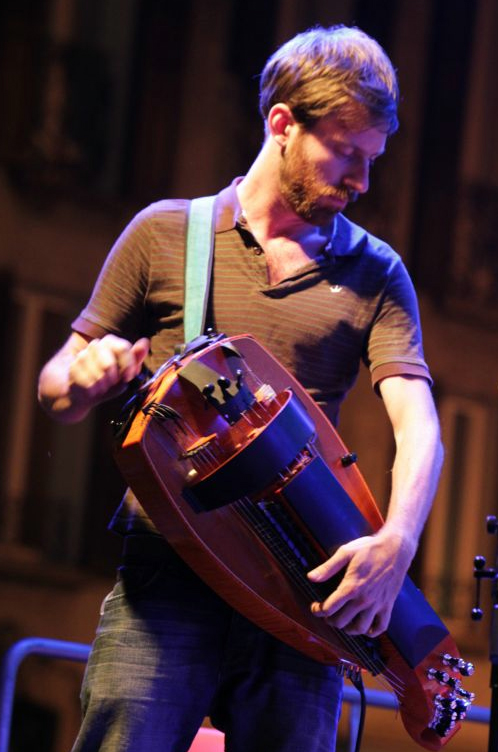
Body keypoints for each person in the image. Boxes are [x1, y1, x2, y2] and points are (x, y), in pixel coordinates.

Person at [38, 24, 444, 752]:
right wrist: (83, 376)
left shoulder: (377, 272)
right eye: (345, 152)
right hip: (167, 577)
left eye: (372, 159)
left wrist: (398, 542)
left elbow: (420, 428)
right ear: (283, 124)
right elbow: (55, 387)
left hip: (303, 588)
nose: (361, 181)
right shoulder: (163, 234)